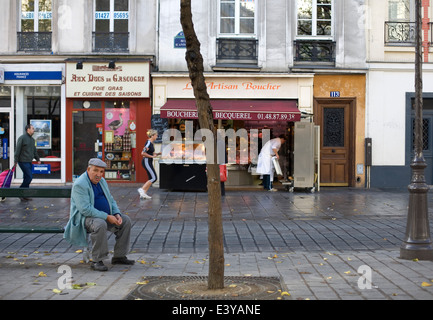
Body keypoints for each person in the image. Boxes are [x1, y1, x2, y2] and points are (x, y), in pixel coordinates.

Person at [64, 158, 134, 271]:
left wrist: (116, 213)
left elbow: (110, 199)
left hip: (104, 215)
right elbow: (85, 210)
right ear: (88, 169)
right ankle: (97, 260)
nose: (99, 174)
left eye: (101, 172)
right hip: (84, 218)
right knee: (100, 224)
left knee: (126, 221)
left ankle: (119, 256)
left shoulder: (102, 181)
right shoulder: (80, 184)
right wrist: (107, 217)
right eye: (95, 170)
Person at [14, 124, 41, 201]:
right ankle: (20, 191)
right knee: (29, 177)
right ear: (28, 129)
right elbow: (18, 150)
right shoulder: (22, 138)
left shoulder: (32, 140)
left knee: (26, 177)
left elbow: (34, 151)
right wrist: (15, 160)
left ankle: (25, 195)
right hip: (22, 161)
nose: (34, 130)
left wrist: (38, 159)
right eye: (32, 128)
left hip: (29, 162)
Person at [137, 129, 161, 199]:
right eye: (156, 135)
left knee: (151, 178)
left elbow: (150, 152)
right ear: (152, 135)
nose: (157, 136)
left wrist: (158, 153)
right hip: (146, 161)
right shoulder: (148, 143)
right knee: (154, 178)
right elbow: (143, 153)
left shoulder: (151, 143)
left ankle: (143, 194)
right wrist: (152, 156)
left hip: (148, 161)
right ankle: (141, 189)